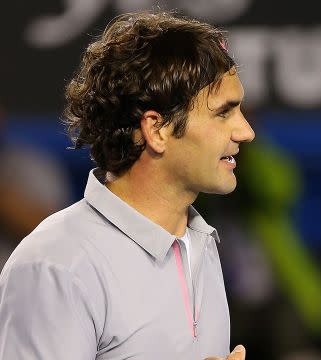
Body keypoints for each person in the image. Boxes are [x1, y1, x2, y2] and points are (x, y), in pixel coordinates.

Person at [0, 11, 254, 360]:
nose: (246, 131)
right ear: (158, 130)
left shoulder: (201, 244)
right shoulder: (55, 266)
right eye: (224, 112)